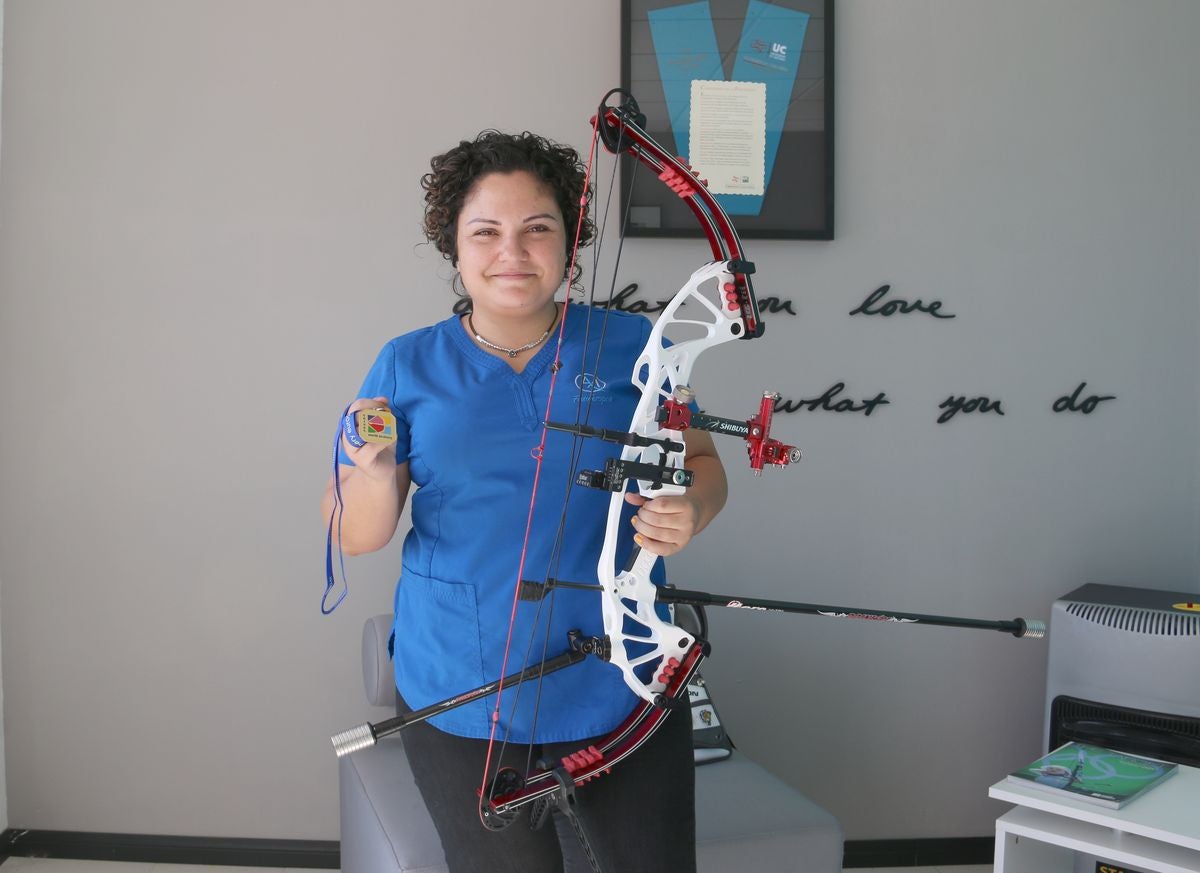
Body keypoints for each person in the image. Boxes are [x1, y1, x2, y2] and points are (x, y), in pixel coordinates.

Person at [321, 130, 728, 872]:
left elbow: (703, 462)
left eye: (537, 228)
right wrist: (375, 477)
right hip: (461, 687)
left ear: (570, 244)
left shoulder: (635, 344)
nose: (512, 250)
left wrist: (691, 509)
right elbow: (356, 536)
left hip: (623, 678)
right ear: (455, 246)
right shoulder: (405, 362)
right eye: (486, 231)